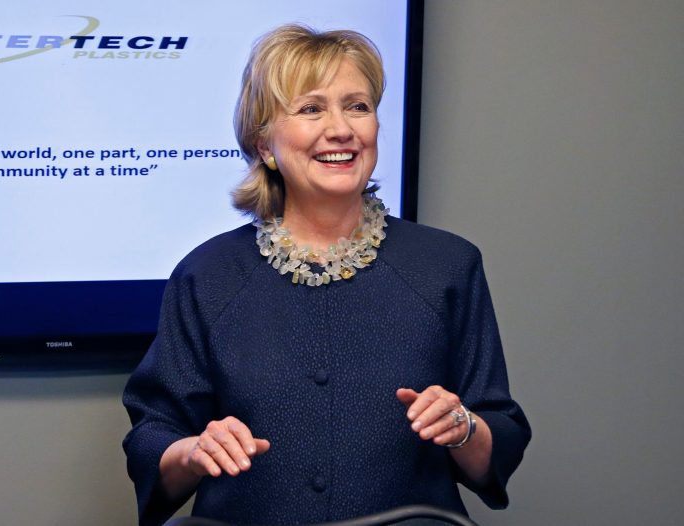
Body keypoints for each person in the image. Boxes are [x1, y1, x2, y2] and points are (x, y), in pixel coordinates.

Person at [123, 24, 530, 526]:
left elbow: (500, 437)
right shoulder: (206, 275)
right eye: (311, 109)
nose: (341, 129)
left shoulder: (448, 265)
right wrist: (193, 450)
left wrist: (464, 427)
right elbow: (152, 435)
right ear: (265, 145)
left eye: (357, 106)